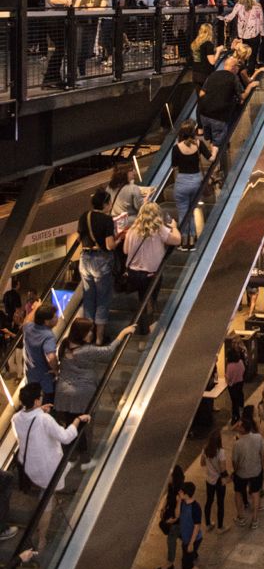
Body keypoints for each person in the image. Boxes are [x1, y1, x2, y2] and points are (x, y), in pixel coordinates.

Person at [12, 382, 90, 550]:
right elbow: (66, 437)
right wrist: (77, 420)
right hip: (48, 469)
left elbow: (29, 429)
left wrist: (40, 411)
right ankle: (41, 538)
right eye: (40, 396)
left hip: (30, 465)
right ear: (36, 401)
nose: (42, 397)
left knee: (52, 486)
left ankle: (51, 496)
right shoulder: (44, 419)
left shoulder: (16, 417)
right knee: (46, 501)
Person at [54, 319, 134, 466]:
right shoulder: (86, 351)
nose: (92, 333)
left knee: (70, 424)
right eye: (89, 330)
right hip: (82, 394)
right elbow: (109, 352)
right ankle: (85, 457)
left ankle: (70, 455)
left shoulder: (65, 344)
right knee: (86, 427)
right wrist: (122, 333)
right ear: (81, 333)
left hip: (64, 393)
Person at [122, 202, 181, 335]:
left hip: (133, 273)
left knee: (142, 299)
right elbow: (177, 240)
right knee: (149, 301)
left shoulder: (132, 230)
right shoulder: (158, 229)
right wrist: (174, 227)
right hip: (150, 275)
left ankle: (141, 325)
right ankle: (147, 327)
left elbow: (125, 250)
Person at [77, 188, 118, 343]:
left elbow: (79, 239)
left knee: (88, 298)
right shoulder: (107, 220)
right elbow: (109, 245)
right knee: (102, 299)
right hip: (101, 261)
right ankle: (99, 338)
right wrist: (118, 241)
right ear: (105, 204)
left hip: (85, 259)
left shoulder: (84, 216)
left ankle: (88, 336)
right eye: (109, 202)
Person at [170, 121, 211, 249]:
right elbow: (210, 158)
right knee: (191, 212)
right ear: (193, 132)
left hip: (182, 182)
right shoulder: (199, 144)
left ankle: (184, 242)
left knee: (183, 213)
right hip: (196, 182)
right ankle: (193, 242)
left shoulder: (176, 148)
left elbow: (174, 165)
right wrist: (215, 151)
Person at [232, 407, 264, 529]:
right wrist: (261, 466)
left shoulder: (238, 443)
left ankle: (241, 517)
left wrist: (235, 471)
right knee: (255, 493)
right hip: (256, 470)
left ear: (242, 429)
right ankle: (255, 519)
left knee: (238, 493)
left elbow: (234, 461)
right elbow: (263, 453)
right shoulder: (258, 438)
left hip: (241, 473)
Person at [23, 301, 61, 403]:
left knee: (32, 400)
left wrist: (36, 308)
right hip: (44, 379)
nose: (57, 318)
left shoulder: (28, 327)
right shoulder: (48, 336)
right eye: (54, 317)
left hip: (30, 374)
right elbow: (51, 357)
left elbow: (26, 320)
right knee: (46, 403)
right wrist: (56, 369)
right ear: (46, 322)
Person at [177, 481, 210, 569]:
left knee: (187, 564)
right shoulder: (182, 503)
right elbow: (177, 515)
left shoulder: (195, 507)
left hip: (193, 539)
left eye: (181, 492)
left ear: (186, 494)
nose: (179, 493)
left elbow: (197, 527)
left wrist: (191, 543)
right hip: (186, 538)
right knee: (188, 561)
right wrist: (178, 502)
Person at [156, 464, 185, 569]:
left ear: (174, 476)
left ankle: (170, 563)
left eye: (170, 474)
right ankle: (192, 548)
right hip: (171, 516)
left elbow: (179, 511)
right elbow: (168, 497)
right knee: (181, 537)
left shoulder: (180, 491)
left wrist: (171, 520)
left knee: (171, 539)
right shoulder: (171, 486)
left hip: (177, 519)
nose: (168, 475)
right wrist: (163, 508)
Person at [225, 347, 246, 425]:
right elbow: (243, 370)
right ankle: (242, 413)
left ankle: (235, 416)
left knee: (234, 401)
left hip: (232, 385)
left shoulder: (230, 366)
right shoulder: (240, 362)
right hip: (240, 383)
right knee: (240, 397)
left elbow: (228, 377)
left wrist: (226, 377)